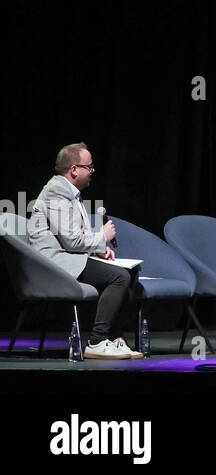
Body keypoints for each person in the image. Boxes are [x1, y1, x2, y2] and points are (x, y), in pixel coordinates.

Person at [27, 142, 143, 360]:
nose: (92, 171)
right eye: (89, 167)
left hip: (70, 257)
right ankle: (97, 341)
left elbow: (74, 237)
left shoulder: (71, 193)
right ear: (74, 169)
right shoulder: (55, 193)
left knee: (132, 273)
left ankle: (113, 338)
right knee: (119, 277)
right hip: (54, 263)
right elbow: (71, 241)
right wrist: (103, 237)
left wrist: (99, 250)